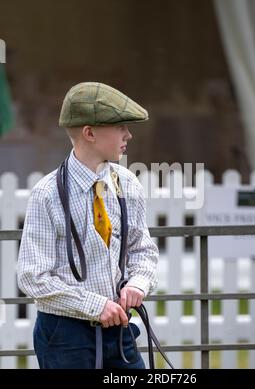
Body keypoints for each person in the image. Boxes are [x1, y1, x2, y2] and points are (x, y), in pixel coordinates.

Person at [17, 82, 159, 369]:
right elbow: (33, 277)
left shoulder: (127, 183)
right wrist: (95, 306)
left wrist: (137, 284)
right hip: (64, 335)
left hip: (118, 330)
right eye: (120, 127)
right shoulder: (48, 194)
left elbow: (143, 251)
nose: (128, 135)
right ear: (90, 133)